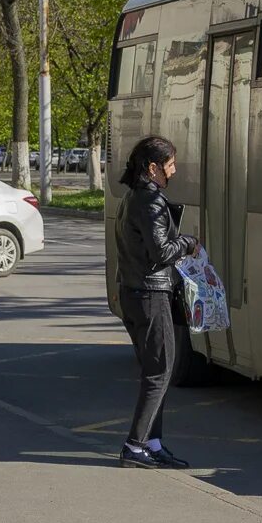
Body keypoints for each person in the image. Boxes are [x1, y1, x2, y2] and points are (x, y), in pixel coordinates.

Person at [114, 135, 199, 470]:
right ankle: (135, 445)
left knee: (155, 370)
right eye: (170, 164)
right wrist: (188, 243)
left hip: (132, 292)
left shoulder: (132, 197)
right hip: (150, 294)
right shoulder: (150, 201)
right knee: (161, 371)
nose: (174, 170)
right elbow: (161, 251)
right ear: (153, 168)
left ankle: (152, 443)